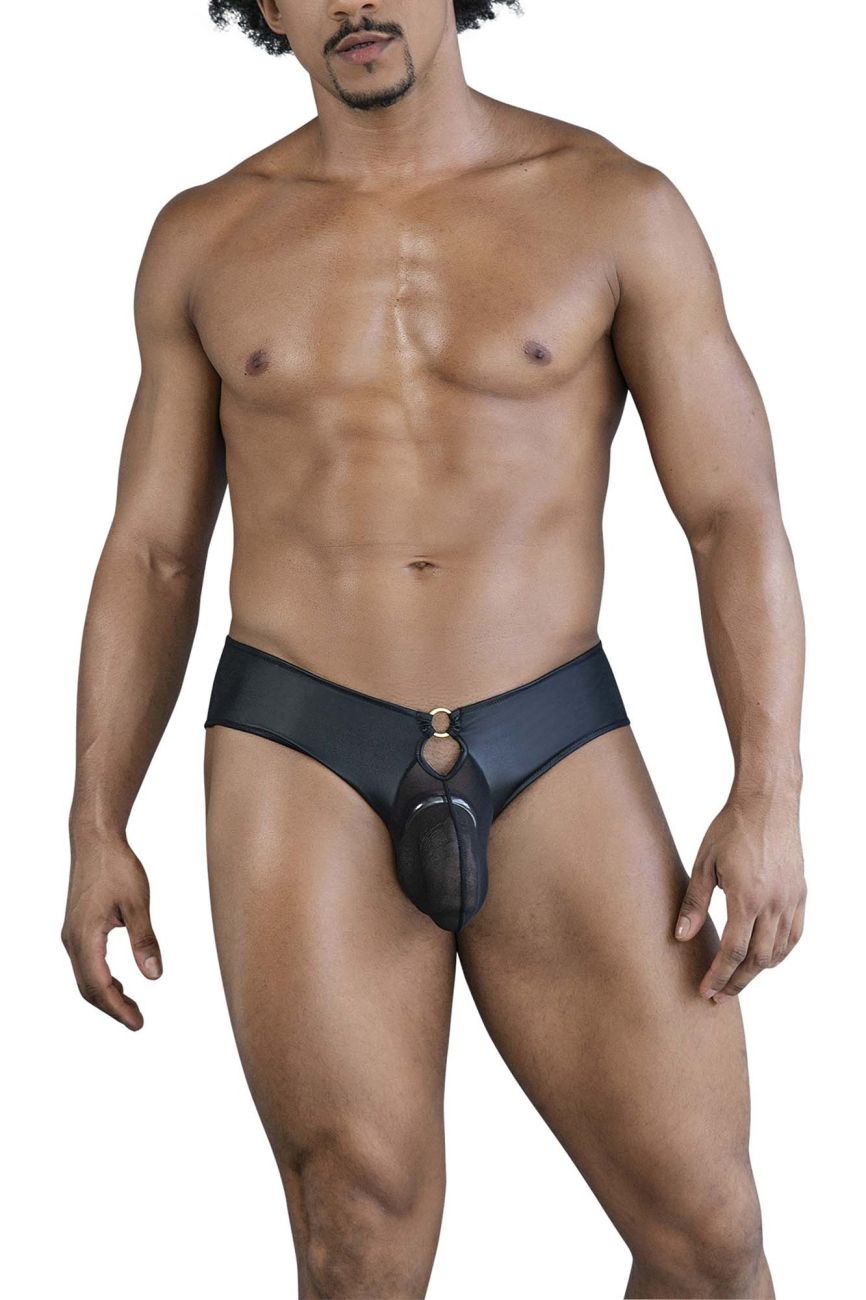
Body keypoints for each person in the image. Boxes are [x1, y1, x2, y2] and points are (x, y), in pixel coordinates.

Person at [62, 1, 807, 1296]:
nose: (355, 2)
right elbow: (153, 551)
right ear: (266, 8)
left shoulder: (612, 206)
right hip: (300, 743)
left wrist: (768, 793)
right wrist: (94, 821)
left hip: (551, 731)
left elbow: (731, 513)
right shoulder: (206, 238)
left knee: (707, 1238)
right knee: (356, 1235)